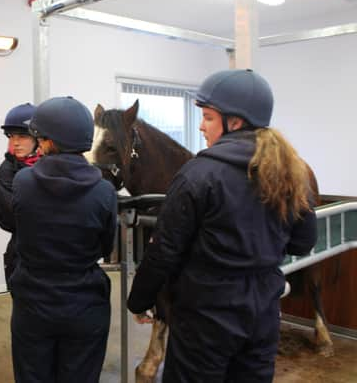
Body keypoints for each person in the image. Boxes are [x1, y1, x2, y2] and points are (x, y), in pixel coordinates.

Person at [127, 69, 317, 382]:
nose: (201, 126)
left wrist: (139, 299)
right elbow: (302, 243)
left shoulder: (197, 175)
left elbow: (164, 251)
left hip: (205, 314)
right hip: (264, 314)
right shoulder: (290, 171)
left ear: (235, 121)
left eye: (208, 117)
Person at [10, 96, 117, 383]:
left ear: (47, 141)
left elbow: (19, 230)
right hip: (85, 303)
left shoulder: (22, 182)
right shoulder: (104, 191)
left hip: (33, 301)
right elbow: (107, 247)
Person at [0, 103, 41, 285]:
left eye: (22, 136)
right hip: (23, 255)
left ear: (38, 138)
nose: (15, 142)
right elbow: (12, 217)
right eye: (11, 136)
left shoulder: (51, 165)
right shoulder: (6, 172)